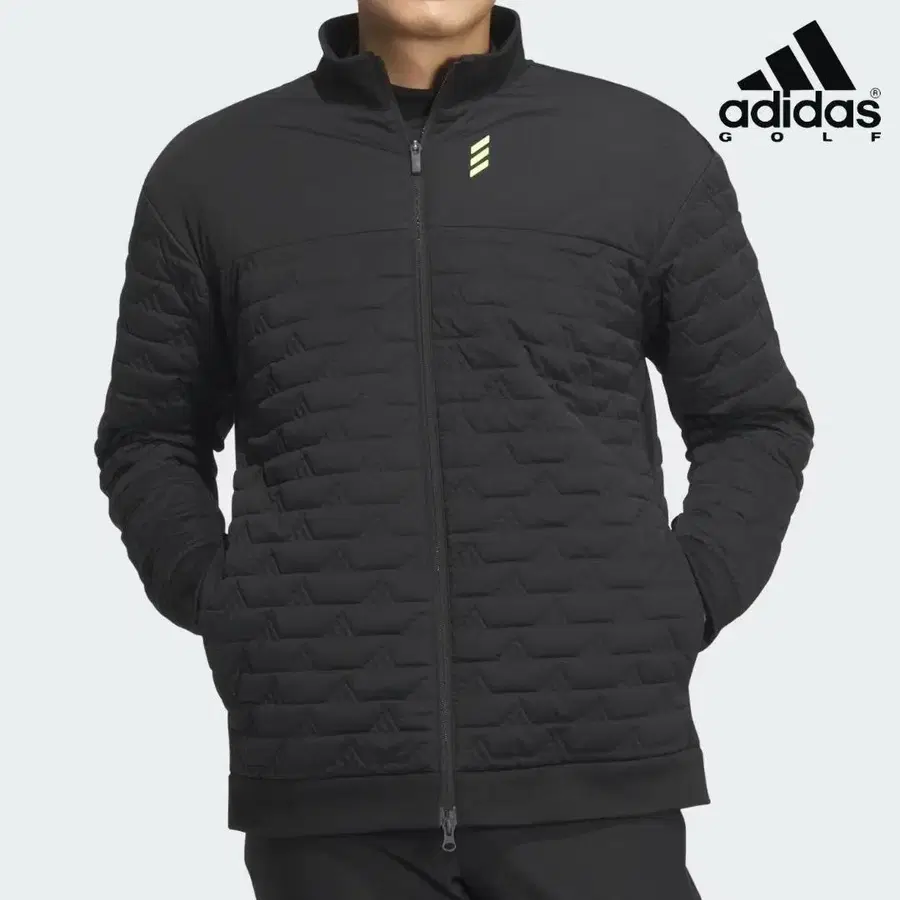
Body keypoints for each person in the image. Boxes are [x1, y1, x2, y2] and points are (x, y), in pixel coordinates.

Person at [95, 2, 813, 897]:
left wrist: (683, 597)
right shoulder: (214, 172)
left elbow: (752, 418)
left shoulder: (645, 153)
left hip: (597, 773)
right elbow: (150, 434)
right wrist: (234, 606)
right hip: (325, 792)